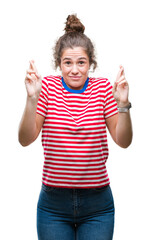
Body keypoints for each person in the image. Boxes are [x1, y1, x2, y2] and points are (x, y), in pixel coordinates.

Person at [18, 14, 132, 240]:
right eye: (67, 63)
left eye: (81, 62)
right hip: (53, 206)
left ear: (91, 63)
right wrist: (32, 99)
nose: (74, 70)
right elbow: (25, 139)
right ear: (59, 63)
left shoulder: (102, 88)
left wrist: (123, 104)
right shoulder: (48, 87)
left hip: (98, 205)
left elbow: (124, 141)